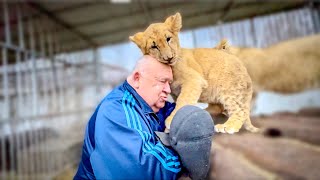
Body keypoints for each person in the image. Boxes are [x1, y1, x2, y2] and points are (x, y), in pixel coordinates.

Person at [74, 55, 215, 180]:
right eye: (162, 81)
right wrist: (183, 149)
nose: (168, 90)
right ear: (137, 79)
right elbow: (141, 172)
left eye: (169, 83)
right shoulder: (115, 111)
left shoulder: (156, 105)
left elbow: (185, 118)